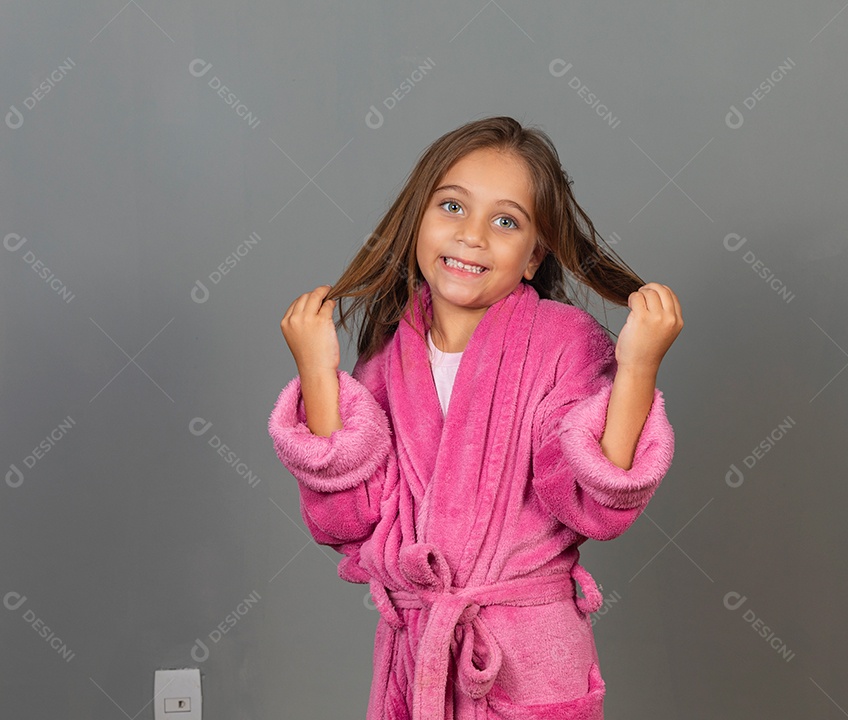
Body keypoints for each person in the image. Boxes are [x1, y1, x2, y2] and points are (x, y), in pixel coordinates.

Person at [268, 115, 682, 720]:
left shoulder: (564, 343)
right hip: (419, 662)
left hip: (527, 662)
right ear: (418, 219)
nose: (472, 236)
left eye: (506, 221)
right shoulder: (388, 355)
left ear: (535, 253)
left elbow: (594, 505)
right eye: (452, 207)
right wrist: (317, 375)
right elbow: (347, 520)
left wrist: (639, 366)